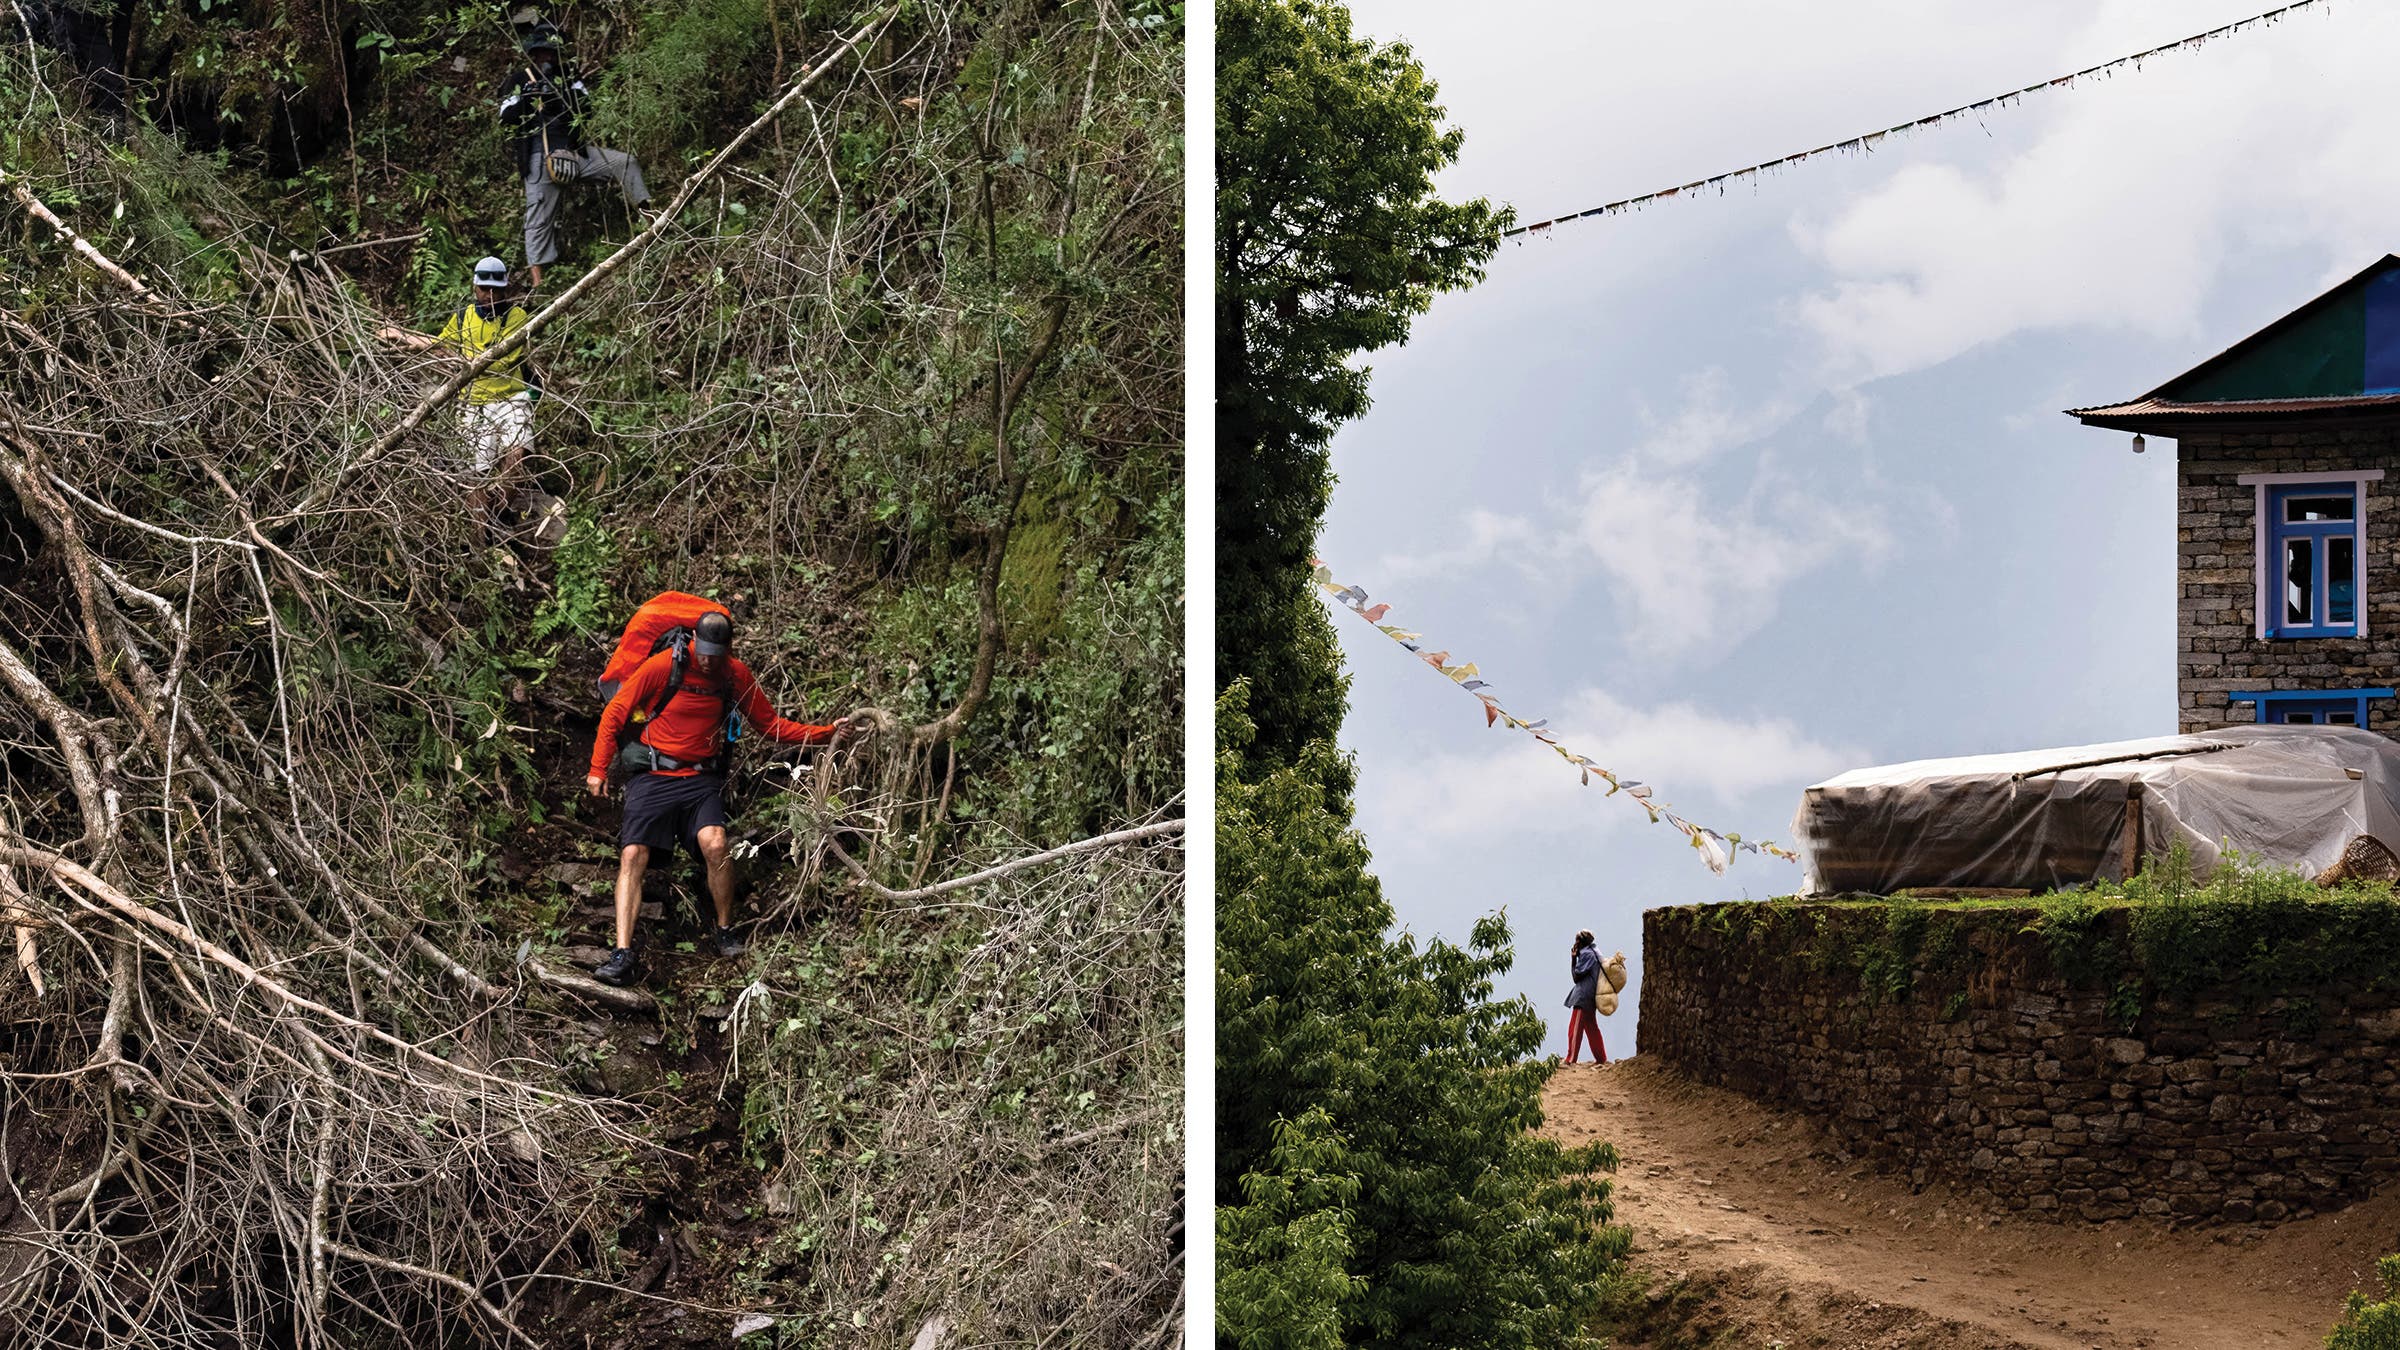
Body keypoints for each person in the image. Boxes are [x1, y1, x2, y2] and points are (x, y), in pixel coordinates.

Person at [584, 611, 861, 985]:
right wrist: (598, 768)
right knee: (633, 854)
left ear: (728, 648)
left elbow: (770, 725)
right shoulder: (664, 665)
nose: (708, 660)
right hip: (653, 774)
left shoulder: (734, 674)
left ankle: (725, 929)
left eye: (717, 653)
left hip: (700, 779)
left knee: (715, 844)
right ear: (694, 641)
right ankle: (622, 953)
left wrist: (827, 733)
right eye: (704, 652)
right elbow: (617, 711)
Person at [499, 23, 651, 287]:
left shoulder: (569, 74)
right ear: (533, 53)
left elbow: (587, 105)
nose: (549, 58)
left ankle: (653, 221)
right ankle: (539, 284)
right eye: (544, 52)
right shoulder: (518, 80)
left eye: (553, 52)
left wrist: (560, 93)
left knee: (624, 162)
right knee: (537, 219)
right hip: (538, 158)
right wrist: (527, 97)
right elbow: (505, 117)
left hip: (576, 154)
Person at [432, 256, 539, 525]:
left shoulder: (517, 318)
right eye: (484, 290)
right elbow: (440, 347)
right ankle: (481, 535)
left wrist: (469, 361)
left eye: (496, 290)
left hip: (511, 396)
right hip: (474, 402)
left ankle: (500, 512)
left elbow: (502, 361)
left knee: (518, 452)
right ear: (475, 288)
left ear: (505, 290)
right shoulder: (462, 318)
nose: (490, 296)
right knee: (474, 476)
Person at [1564, 929, 1608, 1066]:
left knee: (1575, 1028)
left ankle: (1571, 1058)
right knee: (1591, 1028)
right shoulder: (1593, 953)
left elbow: (1576, 977)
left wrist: (1573, 958)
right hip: (1590, 995)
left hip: (1583, 995)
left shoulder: (1587, 955)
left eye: (1576, 940)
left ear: (1580, 942)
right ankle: (1601, 1058)